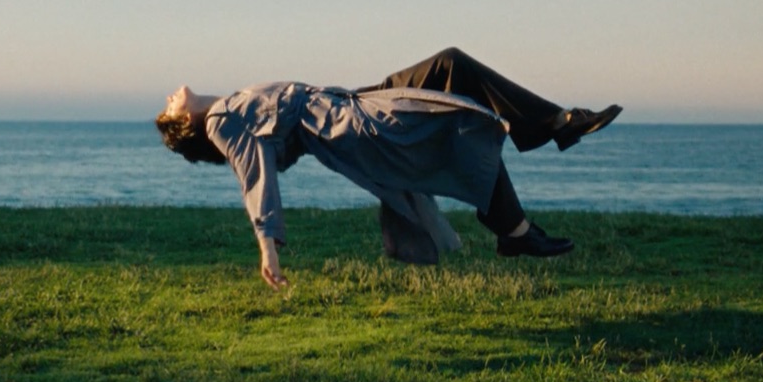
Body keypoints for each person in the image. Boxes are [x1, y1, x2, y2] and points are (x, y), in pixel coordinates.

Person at [155, 48, 621, 288]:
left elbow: (281, 148)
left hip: (348, 100)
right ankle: (517, 227)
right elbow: (256, 173)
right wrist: (268, 245)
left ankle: (554, 130)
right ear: (186, 124)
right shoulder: (221, 121)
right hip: (348, 124)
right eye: (169, 108)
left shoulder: (232, 110)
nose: (171, 95)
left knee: (449, 65)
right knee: (456, 125)